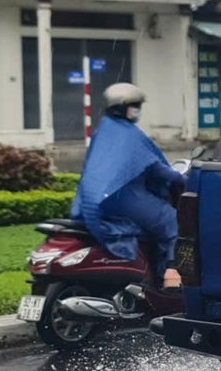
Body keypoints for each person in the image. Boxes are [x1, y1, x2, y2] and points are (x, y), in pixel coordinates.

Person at [72, 82, 184, 286]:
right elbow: (156, 168)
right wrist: (184, 179)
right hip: (126, 196)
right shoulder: (130, 135)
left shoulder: (102, 132)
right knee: (172, 221)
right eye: (135, 106)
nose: (138, 111)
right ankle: (172, 276)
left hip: (96, 201)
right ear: (124, 107)